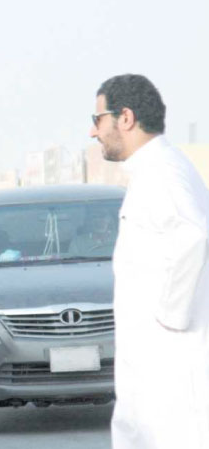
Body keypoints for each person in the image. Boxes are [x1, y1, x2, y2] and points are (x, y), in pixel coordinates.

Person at [90, 74, 209, 448]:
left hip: (169, 372)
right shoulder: (152, 172)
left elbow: (193, 235)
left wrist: (169, 317)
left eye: (97, 120)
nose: (93, 133)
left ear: (125, 118)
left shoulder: (162, 172)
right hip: (151, 372)